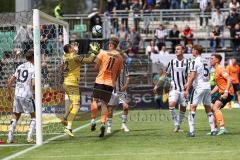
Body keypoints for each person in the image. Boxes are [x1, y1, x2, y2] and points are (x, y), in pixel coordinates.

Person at [61, 42, 99, 137]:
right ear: (70, 49)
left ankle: (64, 118)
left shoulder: (65, 56)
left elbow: (74, 57)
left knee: (72, 103)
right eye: (72, 46)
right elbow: (89, 60)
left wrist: (76, 50)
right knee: (77, 106)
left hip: (66, 83)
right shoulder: (74, 57)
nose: (74, 47)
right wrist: (94, 52)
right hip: (72, 84)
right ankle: (68, 127)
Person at [90, 37, 124, 137]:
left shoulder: (103, 53)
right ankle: (103, 123)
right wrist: (113, 82)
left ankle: (92, 121)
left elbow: (95, 67)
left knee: (95, 100)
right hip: (110, 83)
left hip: (100, 80)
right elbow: (118, 73)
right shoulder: (120, 58)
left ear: (110, 44)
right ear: (116, 45)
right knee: (104, 104)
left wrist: (100, 69)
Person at [185, 45, 216, 137]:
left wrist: (187, 89)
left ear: (196, 51)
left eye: (193, 50)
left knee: (192, 108)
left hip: (199, 87)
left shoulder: (194, 61)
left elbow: (192, 76)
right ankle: (213, 129)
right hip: (207, 86)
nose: (192, 51)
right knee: (208, 109)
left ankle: (191, 131)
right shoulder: (206, 60)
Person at [6, 50, 36, 143]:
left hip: (17, 94)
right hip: (27, 94)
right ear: (34, 57)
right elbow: (34, 84)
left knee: (16, 115)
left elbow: (10, 81)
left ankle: (10, 137)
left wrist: (8, 93)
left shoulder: (20, 66)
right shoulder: (33, 68)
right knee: (34, 116)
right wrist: (34, 93)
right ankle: (29, 137)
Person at [158, 44, 189, 132]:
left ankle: (179, 125)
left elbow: (190, 76)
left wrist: (187, 88)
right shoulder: (172, 62)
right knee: (171, 105)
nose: (176, 50)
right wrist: (158, 84)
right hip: (174, 88)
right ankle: (176, 124)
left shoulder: (188, 62)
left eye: (178, 49)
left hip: (183, 89)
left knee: (183, 107)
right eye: (175, 49)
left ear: (183, 50)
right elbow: (165, 74)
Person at [210, 54, 234, 135]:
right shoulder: (215, 70)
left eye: (212, 59)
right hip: (222, 92)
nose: (210, 60)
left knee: (215, 107)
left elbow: (229, 79)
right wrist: (210, 93)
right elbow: (218, 85)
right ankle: (215, 129)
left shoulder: (220, 68)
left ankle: (222, 128)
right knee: (212, 108)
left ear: (217, 60)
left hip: (227, 92)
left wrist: (226, 91)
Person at [106, 53, 130, 134]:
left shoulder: (125, 66)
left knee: (126, 107)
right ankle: (109, 127)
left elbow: (128, 77)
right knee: (110, 110)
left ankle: (123, 124)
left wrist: (126, 85)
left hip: (122, 91)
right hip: (113, 91)